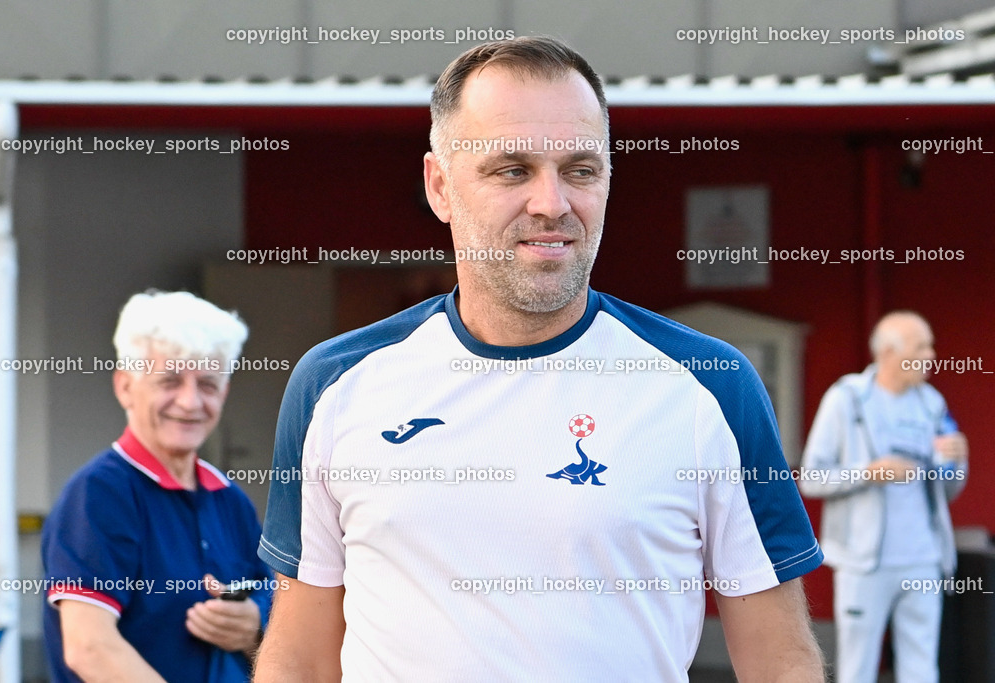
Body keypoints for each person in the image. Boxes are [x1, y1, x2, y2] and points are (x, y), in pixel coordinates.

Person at [254, 36, 825, 682]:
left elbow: (780, 665)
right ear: (440, 186)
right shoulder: (333, 387)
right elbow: (298, 661)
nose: (552, 203)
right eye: (512, 169)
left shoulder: (710, 389)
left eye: (581, 169)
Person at [41, 290, 274, 683]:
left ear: (225, 392)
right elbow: (90, 648)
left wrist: (254, 625)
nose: (189, 402)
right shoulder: (99, 494)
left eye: (208, 384)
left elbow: (280, 630)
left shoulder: (230, 500)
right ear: (125, 387)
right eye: (170, 380)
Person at [800, 311, 968, 683]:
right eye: (921, 346)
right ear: (890, 353)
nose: (932, 355)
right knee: (858, 667)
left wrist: (957, 461)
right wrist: (868, 473)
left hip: (924, 559)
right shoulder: (847, 399)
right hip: (865, 563)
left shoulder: (931, 403)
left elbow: (948, 490)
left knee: (922, 666)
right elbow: (811, 478)